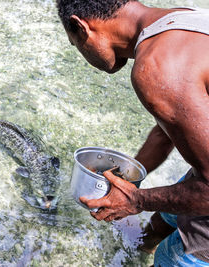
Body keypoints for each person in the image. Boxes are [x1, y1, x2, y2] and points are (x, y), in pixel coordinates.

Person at [55, 0, 209, 266]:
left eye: (75, 44)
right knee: (161, 223)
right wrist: (127, 178)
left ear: (82, 28)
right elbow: (170, 130)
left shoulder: (155, 68)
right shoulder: (184, 19)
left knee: (170, 258)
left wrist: (135, 200)